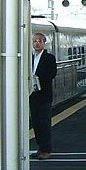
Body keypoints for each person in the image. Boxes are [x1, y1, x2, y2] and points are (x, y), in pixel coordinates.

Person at [29, 32, 57, 160]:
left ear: (44, 43)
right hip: (32, 95)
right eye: (35, 41)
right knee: (36, 123)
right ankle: (40, 147)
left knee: (45, 123)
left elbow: (52, 73)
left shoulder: (49, 58)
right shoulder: (29, 58)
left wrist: (38, 79)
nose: (37, 43)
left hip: (44, 95)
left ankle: (46, 149)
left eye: (39, 41)